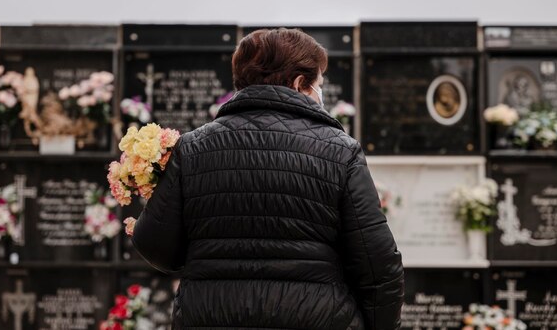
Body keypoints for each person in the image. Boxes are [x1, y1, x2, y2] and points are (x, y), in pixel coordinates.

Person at [132, 28, 404, 329]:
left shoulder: (192, 148)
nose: (320, 94)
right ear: (301, 84)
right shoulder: (340, 152)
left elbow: (155, 246)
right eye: (319, 84)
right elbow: (378, 265)